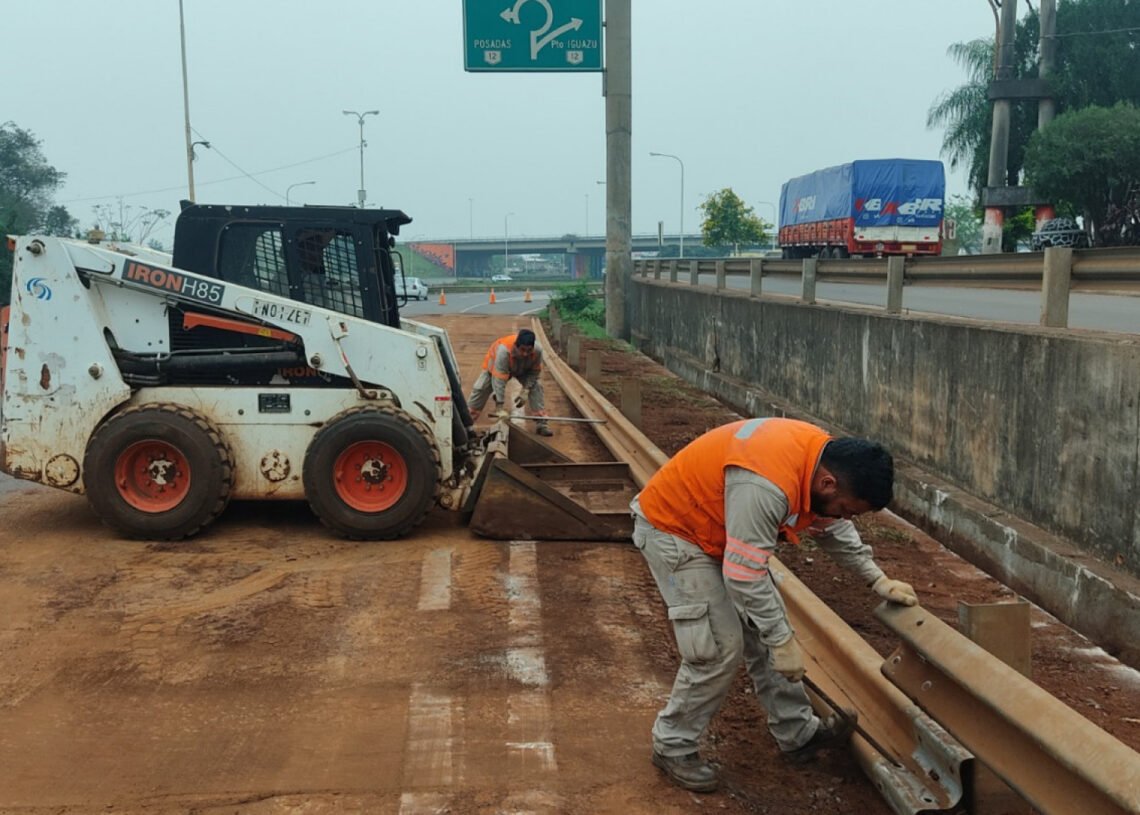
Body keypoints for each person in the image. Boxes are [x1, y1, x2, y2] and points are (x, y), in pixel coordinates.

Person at [631, 417, 918, 793]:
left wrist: (876, 577)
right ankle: (673, 745)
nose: (846, 517)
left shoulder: (819, 463)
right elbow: (744, 574)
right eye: (847, 509)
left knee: (770, 628)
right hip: (676, 532)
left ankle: (797, 733)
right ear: (828, 483)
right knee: (719, 647)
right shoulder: (765, 483)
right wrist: (780, 640)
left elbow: (830, 522)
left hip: (722, 531)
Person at [466, 328, 553, 436]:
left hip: (523, 368)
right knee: (481, 389)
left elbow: (534, 372)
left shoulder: (537, 351)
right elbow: (499, 380)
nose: (525, 354)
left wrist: (526, 390)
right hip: (495, 369)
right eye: (522, 350)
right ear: (516, 345)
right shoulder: (503, 351)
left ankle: (542, 424)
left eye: (529, 350)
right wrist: (499, 406)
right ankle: (466, 425)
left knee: (536, 387)